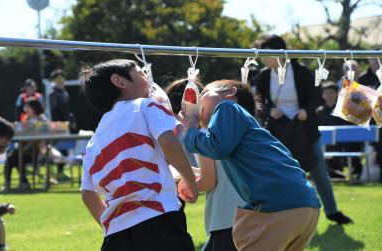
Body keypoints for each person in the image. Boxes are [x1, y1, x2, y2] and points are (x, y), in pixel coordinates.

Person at [180, 79, 320, 251]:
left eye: (204, 93)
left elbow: (218, 148)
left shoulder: (227, 107)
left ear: (230, 93)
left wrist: (191, 131)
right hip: (305, 205)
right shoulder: (245, 129)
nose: (199, 101)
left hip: (278, 205)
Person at [80, 59, 198, 251]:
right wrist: (190, 181)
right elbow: (168, 141)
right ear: (119, 80)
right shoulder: (145, 106)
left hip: (115, 237)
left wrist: (111, 226)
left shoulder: (93, 142)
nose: (149, 79)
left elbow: (87, 194)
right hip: (159, 222)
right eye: (142, 73)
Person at [255, 34, 353, 225]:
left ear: (279, 54)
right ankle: (282, 214)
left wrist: (306, 112)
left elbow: (316, 97)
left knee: (319, 172)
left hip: (305, 127)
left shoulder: (300, 71)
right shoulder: (264, 76)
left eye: (266, 54)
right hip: (279, 130)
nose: (262, 58)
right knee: (279, 173)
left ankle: (332, 211)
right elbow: (259, 103)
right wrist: (269, 111)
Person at [166, 78, 243, 251]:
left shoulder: (203, 135)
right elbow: (217, 171)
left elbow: (209, 181)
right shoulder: (233, 129)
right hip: (242, 215)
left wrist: (186, 186)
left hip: (225, 218)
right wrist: (184, 172)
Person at [316, 81, 362, 178]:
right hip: (325, 143)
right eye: (326, 93)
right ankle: (331, 172)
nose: (329, 95)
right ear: (323, 95)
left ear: (336, 94)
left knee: (352, 145)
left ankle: (355, 172)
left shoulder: (344, 109)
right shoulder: (319, 112)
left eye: (331, 92)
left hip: (343, 142)